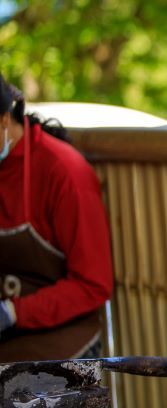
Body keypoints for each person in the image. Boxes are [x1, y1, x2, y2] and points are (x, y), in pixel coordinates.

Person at [0, 74, 113, 362]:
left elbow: (93, 284)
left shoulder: (64, 172)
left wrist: (13, 312)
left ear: (3, 120)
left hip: (63, 348)